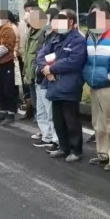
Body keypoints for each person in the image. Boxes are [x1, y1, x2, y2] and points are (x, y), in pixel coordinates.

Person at [83, 0, 110, 171]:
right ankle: (103, 153)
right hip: (94, 85)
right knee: (98, 123)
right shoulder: (90, 36)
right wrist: (86, 74)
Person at [37, 9, 87, 162]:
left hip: (69, 85)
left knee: (71, 121)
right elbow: (41, 55)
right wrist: (46, 70)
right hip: (54, 84)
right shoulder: (56, 38)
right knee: (58, 121)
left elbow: (73, 61)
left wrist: (51, 68)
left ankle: (76, 150)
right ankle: (64, 147)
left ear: (70, 22)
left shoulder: (78, 40)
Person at [33, 7, 61, 151]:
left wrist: (45, 67)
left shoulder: (56, 37)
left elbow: (53, 57)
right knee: (41, 111)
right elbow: (38, 55)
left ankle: (56, 139)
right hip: (39, 76)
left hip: (48, 77)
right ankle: (47, 136)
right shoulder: (43, 35)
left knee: (51, 112)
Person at [20, 1, 38, 121]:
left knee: (37, 91)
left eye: (30, 11)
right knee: (30, 90)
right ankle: (33, 111)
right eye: (26, 11)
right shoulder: (25, 25)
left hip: (36, 65)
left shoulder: (41, 28)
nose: (27, 13)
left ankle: (38, 114)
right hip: (27, 63)